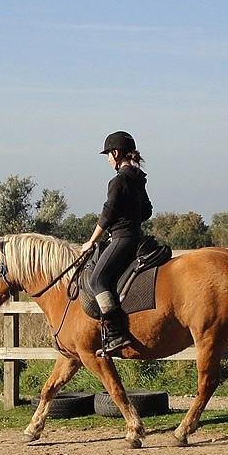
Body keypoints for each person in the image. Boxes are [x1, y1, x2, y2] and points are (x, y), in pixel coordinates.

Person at [81, 131, 153, 355]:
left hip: (122, 238)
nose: (107, 159)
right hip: (138, 236)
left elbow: (108, 214)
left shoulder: (118, 180)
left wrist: (91, 241)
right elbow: (147, 211)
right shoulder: (137, 178)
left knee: (97, 280)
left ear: (116, 153)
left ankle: (115, 333)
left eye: (108, 155)